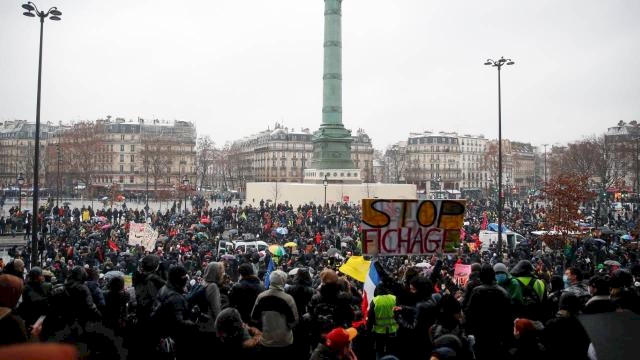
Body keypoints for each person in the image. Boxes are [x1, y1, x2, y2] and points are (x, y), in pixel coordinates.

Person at [251, 270, 299, 356]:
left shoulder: (261, 297)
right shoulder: (288, 299)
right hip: (285, 341)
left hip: (266, 340)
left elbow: (254, 318)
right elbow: (293, 322)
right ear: (283, 281)